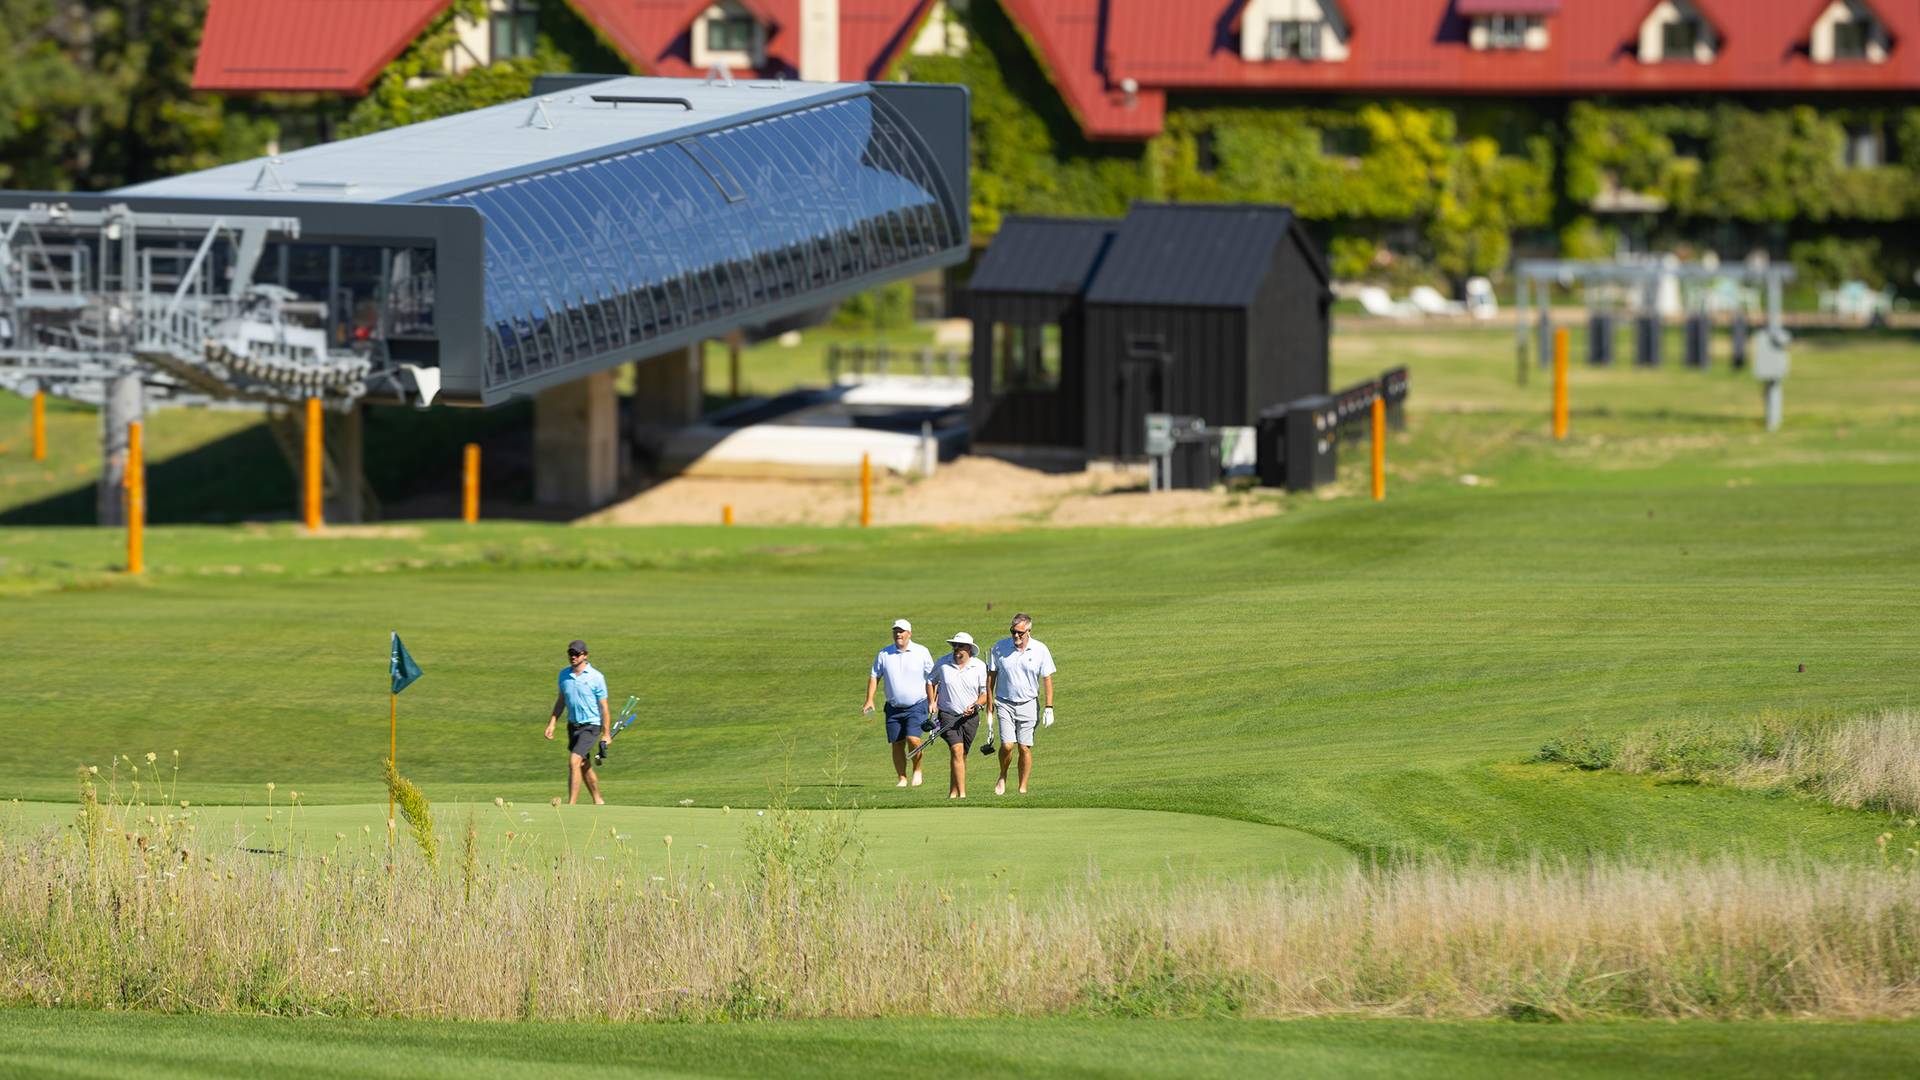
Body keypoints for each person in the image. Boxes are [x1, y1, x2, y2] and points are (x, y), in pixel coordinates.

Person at [986, 613, 1055, 795]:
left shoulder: (1040, 649)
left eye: (1019, 633)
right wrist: (989, 702)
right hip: (1004, 702)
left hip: (1029, 703)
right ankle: (1003, 774)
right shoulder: (1000, 648)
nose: (1015, 636)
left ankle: (1022, 787)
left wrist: (1049, 708)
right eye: (1013, 632)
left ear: (1028, 632)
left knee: (1024, 747)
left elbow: (1047, 678)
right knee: (1007, 745)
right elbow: (991, 677)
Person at [862, 618, 935, 787]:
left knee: (913, 739)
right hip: (893, 707)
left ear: (909, 633)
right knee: (897, 743)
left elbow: (932, 678)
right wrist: (869, 700)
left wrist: (933, 700)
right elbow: (875, 676)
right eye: (896, 631)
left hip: (917, 704)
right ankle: (902, 778)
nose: (898, 634)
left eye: (901, 631)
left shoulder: (921, 652)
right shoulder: (884, 654)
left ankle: (917, 770)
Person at [543, 638, 611, 805]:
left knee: (574, 760)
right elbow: (561, 701)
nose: (572, 657)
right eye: (570, 653)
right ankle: (598, 799)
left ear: (585, 655)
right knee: (583, 764)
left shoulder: (596, 677)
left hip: (591, 726)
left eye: (576, 654)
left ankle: (571, 805)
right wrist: (552, 723)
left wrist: (606, 734)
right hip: (573, 726)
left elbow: (604, 708)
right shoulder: (564, 675)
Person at [929, 631, 988, 799]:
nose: (956, 649)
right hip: (947, 714)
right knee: (956, 749)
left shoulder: (979, 666)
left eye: (960, 646)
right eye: (954, 645)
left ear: (968, 648)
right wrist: (932, 702)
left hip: (970, 717)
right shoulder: (943, 663)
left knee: (962, 755)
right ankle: (962, 795)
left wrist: (976, 705)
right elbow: (930, 681)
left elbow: (984, 694)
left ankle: (953, 792)